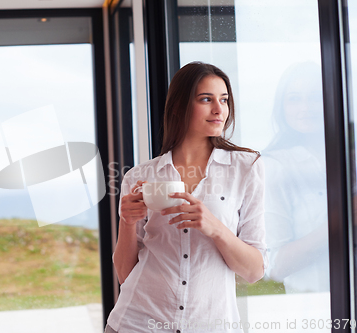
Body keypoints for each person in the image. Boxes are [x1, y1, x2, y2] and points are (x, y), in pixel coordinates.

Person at [105, 62, 268, 333]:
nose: (219, 109)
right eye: (206, 99)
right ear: (180, 106)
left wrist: (215, 228)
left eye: (224, 99)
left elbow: (253, 272)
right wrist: (126, 222)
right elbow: (125, 274)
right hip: (137, 323)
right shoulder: (140, 176)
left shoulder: (246, 167)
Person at [262, 62, 329, 293]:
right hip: (319, 308)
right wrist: (341, 222)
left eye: (315, 97)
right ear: (282, 107)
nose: (306, 107)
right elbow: (276, 266)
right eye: (294, 98)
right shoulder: (274, 167)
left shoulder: (348, 158)